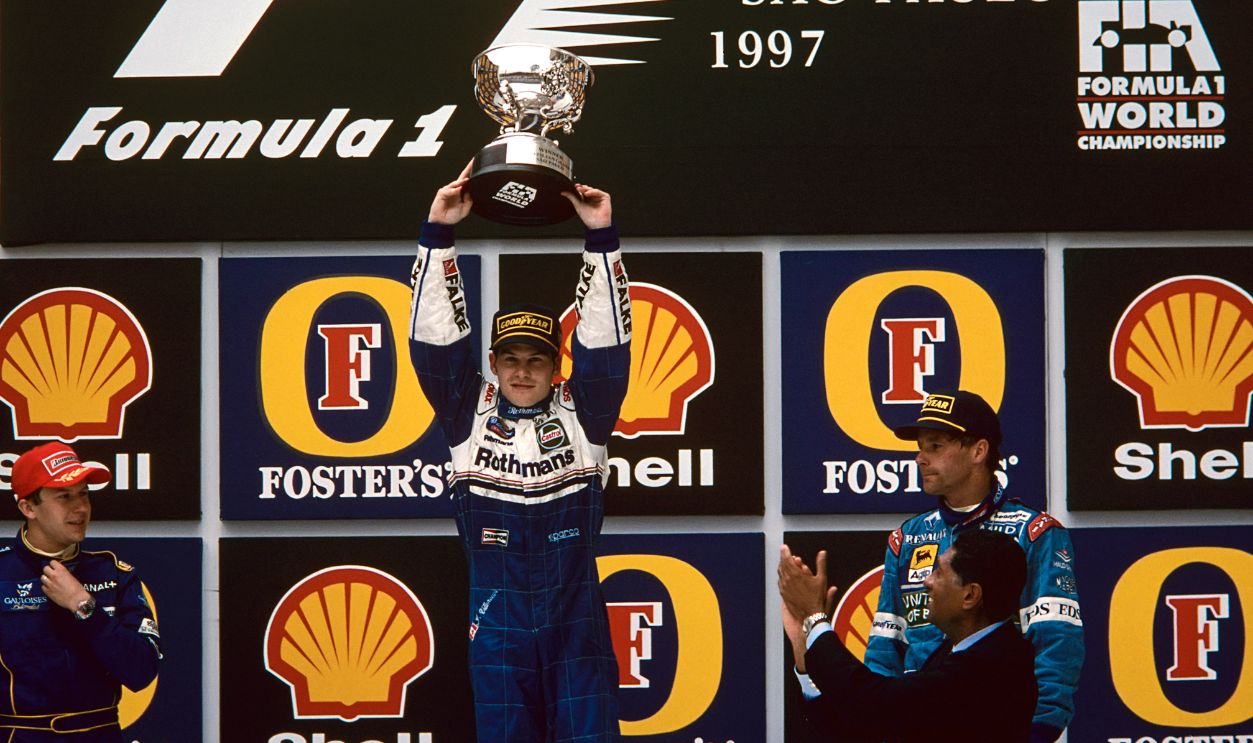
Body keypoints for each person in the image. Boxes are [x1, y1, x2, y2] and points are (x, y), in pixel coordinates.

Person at [407, 165, 631, 743]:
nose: (523, 371)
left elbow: (606, 347)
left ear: (556, 366)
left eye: (537, 359)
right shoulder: (467, 414)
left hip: (576, 624)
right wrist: (438, 231)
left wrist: (600, 237)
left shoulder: (584, 415)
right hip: (497, 623)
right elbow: (434, 345)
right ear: (493, 363)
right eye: (511, 359)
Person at [861, 390, 1083, 742]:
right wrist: (880, 723)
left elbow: (1057, 642)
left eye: (935, 446)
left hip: (998, 726)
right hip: (918, 726)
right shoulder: (908, 538)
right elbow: (886, 644)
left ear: (979, 451)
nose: (920, 458)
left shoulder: (1034, 533)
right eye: (920, 447)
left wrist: (1037, 733)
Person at [779, 529, 1037, 742]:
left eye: (939, 572)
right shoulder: (960, 653)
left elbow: (872, 702)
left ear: (970, 595)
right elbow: (864, 729)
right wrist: (804, 647)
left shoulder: (993, 665)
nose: (927, 582)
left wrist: (815, 617)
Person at [0, 442, 161, 741]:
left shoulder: (116, 575)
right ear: (28, 508)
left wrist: (84, 606)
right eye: (64, 496)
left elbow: (142, 672)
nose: (81, 508)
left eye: (84, 494)